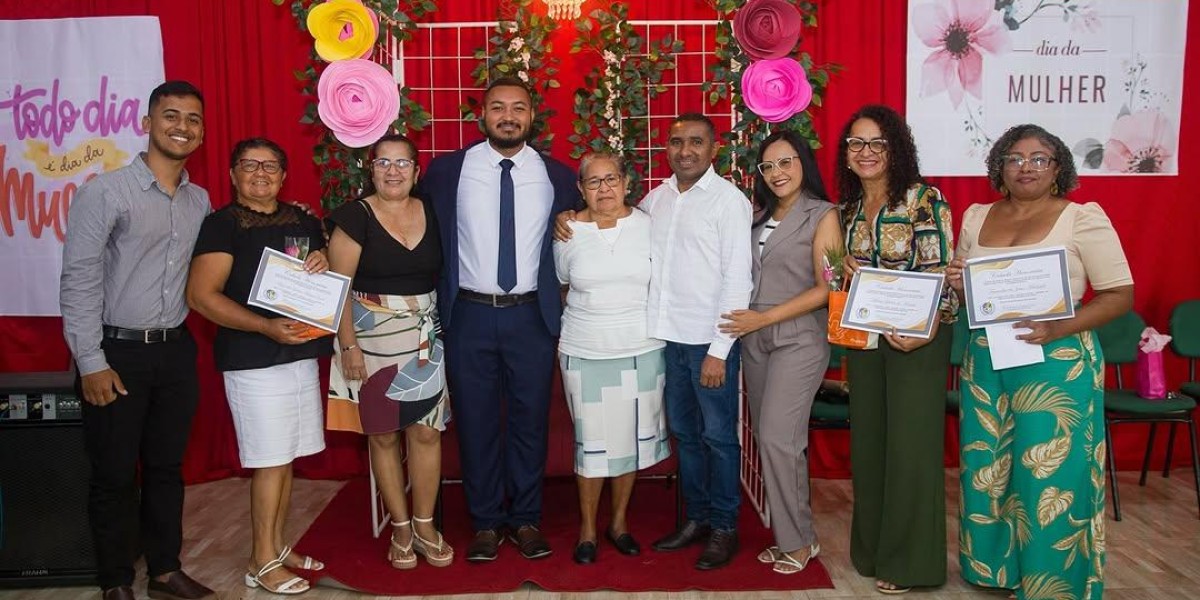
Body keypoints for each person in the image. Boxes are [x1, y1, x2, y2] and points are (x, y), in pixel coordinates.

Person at [946, 124, 1131, 600]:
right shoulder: (976, 217)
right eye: (1014, 158)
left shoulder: (1081, 218)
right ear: (999, 168)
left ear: (1058, 168)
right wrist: (959, 285)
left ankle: (1054, 583)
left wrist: (1058, 327)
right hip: (987, 359)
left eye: (1039, 158)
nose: (1025, 166)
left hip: (1057, 360)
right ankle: (994, 569)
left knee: (1048, 475)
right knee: (989, 467)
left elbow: (1118, 295)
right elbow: (968, 291)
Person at [60, 81, 216, 600]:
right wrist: (90, 361)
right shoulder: (104, 192)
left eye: (193, 119)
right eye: (170, 116)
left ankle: (166, 571)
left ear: (202, 131)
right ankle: (115, 581)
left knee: (168, 468)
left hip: (174, 349)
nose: (182, 127)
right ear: (146, 124)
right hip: (115, 352)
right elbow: (79, 279)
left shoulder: (200, 201)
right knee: (113, 474)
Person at [420, 77, 581, 562]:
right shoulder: (448, 172)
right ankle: (487, 522)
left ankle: (527, 519)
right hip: (468, 314)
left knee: (531, 421)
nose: (508, 116)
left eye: (518, 108)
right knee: (476, 422)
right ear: (482, 115)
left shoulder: (558, 176)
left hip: (531, 316)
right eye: (497, 107)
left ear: (533, 116)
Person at [186, 138, 331, 594]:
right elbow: (201, 296)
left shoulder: (303, 219)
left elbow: (320, 274)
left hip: (299, 355)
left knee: (285, 457)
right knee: (269, 460)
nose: (261, 173)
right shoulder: (221, 225)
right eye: (250, 165)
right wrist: (264, 328)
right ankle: (261, 561)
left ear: (284, 176)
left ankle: (278, 545)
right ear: (233, 175)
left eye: (271, 165)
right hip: (252, 361)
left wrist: (322, 259)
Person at [838, 104, 957, 594]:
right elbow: (839, 272)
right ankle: (871, 552)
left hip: (918, 338)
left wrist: (925, 328)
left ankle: (911, 563)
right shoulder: (846, 209)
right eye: (856, 144)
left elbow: (942, 271)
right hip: (866, 337)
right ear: (846, 155)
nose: (866, 153)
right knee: (869, 444)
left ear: (896, 149)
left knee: (910, 447)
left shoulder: (923, 200)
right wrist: (838, 269)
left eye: (877, 144)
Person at [325, 133, 454, 569]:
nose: (393, 171)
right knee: (382, 435)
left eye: (403, 163)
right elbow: (336, 289)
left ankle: (424, 523)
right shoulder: (354, 217)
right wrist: (348, 346)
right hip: (368, 339)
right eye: (384, 163)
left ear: (417, 172)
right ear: (371, 169)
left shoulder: (432, 211)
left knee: (425, 432)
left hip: (424, 337)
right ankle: (399, 527)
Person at [718, 130, 841, 575]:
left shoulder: (823, 215)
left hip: (797, 337)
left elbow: (828, 288)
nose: (776, 173)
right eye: (767, 166)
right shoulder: (756, 217)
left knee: (776, 437)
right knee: (776, 442)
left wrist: (763, 320)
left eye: (785, 162)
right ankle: (796, 537)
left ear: (804, 163)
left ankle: (797, 542)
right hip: (755, 340)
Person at [553, 152, 671, 565]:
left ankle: (618, 524)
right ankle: (587, 529)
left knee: (632, 441)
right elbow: (563, 287)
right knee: (593, 444)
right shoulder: (566, 233)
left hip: (642, 348)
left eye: (611, 179)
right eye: (593, 181)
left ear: (625, 183)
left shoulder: (650, 226)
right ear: (581, 188)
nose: (604, 189)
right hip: (585, 349)